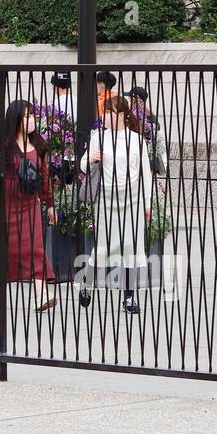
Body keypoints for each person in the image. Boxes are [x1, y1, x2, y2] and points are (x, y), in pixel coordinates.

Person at [79, 96, 151, 314]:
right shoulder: (97, 137)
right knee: (102, 246)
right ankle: (87, 284)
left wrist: (147, 204)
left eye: (109, 113)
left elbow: (145, 173)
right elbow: (82, 165)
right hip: (106, 197)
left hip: (132, 197)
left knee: (130, 248)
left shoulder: (136, 140)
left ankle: (129, 297)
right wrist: (91, 159)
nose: (105, 117)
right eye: (105, 113)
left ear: (121, 115)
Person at [1, 100, 56, 312]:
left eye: (32, 115)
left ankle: (41, 295)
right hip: (7, 204)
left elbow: (45, 177)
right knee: (6, 250)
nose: (30, 119)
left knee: (35, 248)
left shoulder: (38, 145)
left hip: (30, 204)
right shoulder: (5, 146)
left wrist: (50, 204)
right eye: (25, 116)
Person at [124, 85, 167, 175]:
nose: (128, 100)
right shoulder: (151, 116)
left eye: (129, 98)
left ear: (134, 100)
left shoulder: (131, 116)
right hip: (147, 157)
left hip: (137, 156)